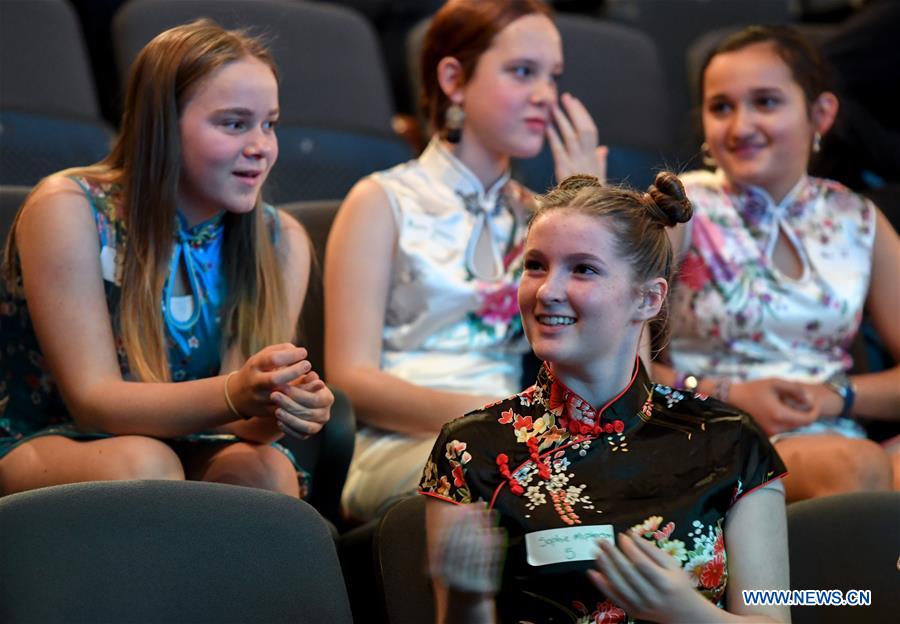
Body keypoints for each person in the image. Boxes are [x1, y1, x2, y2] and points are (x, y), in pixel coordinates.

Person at [421, 173, 790, 624]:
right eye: (535, 265)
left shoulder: (731, 441)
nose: (547, 290)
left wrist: (688, 613)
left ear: (648, 299)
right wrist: (467, 599)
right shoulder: (471, 448)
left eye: (583, 269)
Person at [0, 20, 333, 497]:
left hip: (195, 442)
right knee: (145, 465)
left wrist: (283, 407)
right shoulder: (68, 208)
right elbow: (93, 402)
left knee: (265, 474)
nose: (261, 147)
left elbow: (244, 427)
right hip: (53, 438)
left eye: (270, 124)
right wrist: (234, 393)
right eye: (234, 123)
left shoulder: (282, 240)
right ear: (161, 126)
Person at [326, 0, 607, 521]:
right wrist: (495, 418)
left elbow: (602, 348)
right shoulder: (382, 199)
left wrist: (584, 207)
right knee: (510, 480)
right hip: (399, 443)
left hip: (518, 440)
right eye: (523, 72)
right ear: (454, 79)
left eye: (553, 76)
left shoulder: (537, 215)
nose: (545, 96)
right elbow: (350, 376)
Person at [656, 25, 898, 501]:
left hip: (836, 436)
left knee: (859, 464)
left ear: (820, 114)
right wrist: (724, 393)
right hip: (711, 433)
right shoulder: (682, 209)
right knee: (856, 467)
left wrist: (838, 396)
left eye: (765, 102)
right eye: (721, 107)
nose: (741, 126)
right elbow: (616, 361)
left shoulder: (857, 218)